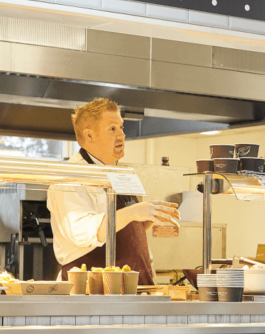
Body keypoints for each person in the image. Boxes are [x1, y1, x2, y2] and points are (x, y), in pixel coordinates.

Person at [48, 98, 180, 284]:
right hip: (93, 290)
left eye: (121, 127)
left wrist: (151, 216)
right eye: (112, 129)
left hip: (135, 286)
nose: (122, 135)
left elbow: (127, 226)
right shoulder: (71, 177)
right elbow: (82, 233)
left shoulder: (121, 172)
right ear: (90, 136)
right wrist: (134, 211)